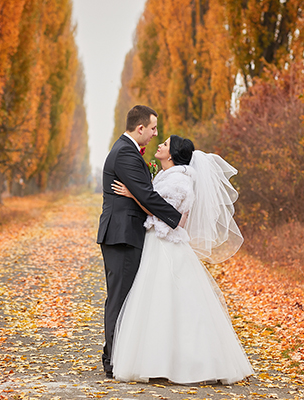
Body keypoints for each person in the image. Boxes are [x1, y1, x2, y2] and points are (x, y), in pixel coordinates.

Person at [110, 135, 253, 384]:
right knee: (161, 301)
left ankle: (182, 363)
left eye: (164, 144)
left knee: (167, 300)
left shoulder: (178, 179)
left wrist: (133, 195)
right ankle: (161, 361)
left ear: (173, 154)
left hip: (166, 244)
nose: (160, 145)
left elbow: (168, 214)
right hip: (160, 242)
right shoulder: (170, 176)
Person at [97, 105, 186, 378]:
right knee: (120, 298)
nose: (155, 134)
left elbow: (141, 193)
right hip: (122, 235)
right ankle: (112, 360)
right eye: (153, 128)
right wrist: (176, 217)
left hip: (125, 233)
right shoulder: (125, 152)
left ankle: (116, 355)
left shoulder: (126, 150)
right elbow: (146, 196)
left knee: (123, 297)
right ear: (140, 128)